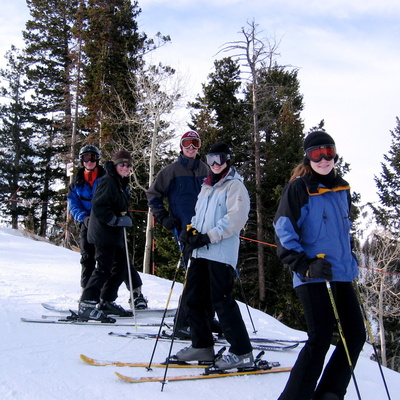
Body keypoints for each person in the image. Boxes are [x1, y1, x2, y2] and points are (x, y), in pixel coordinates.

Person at [273, 130, 366, 400]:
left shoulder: (342, 188)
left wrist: (350, 259)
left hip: (341, 273)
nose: (324, 159)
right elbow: (283, 231)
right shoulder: (299, 188)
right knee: (320, 339)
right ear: (308, 157)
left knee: (355, 335)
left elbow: (341, 232)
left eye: (329, 152)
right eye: (317, 154)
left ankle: (329, 393)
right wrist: (304, 265)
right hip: (313, 275)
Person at [176, 142, 253, 370]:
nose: (215, 164)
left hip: (220, 253)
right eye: (210, 159)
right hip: (200, 252)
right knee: (192, 299)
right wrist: (190, 231)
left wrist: (209, 236)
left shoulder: (234, 186)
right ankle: (202, 345)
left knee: (222, 301)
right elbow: (199, 216)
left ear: (227, 159)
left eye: (219, 159)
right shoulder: (207, 185)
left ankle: (242, 351)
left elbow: (236, 219)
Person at [147, 130, 213, 337]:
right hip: (185, 231)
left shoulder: (207, 170)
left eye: (195, 144)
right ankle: (183, 323)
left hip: (208, 232)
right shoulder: (171, 171)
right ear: (181, 147)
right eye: (187, 144)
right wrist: (164, 217)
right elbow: (153, 195)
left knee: (210, 276)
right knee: (194, 277)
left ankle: (206, 319)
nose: (191, 148)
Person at [78, 150, 146, 321]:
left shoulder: (120, 182)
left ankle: (106, 300)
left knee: (121, 268)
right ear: (115, 165)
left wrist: (125, 218)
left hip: (113, 233)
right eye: (122, 164)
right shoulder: (109, 181)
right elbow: (99, 205)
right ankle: (87, 302)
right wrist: (114, 220)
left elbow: (119, 206)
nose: (125, 167)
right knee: (103, 268)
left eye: (128, 165)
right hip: (103, 232)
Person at [67, 145, 105, 289]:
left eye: (92, 158)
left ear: (97, 159)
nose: (89, 161)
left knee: (106, 259)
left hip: (104, 222)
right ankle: (86, 293)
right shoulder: (76, 183)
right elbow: (74, 205)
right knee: (87, 258)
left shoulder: (105, 178)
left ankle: (103, 295)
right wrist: (84, 218)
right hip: (87, 223)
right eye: (86, 158)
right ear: (82, 160)